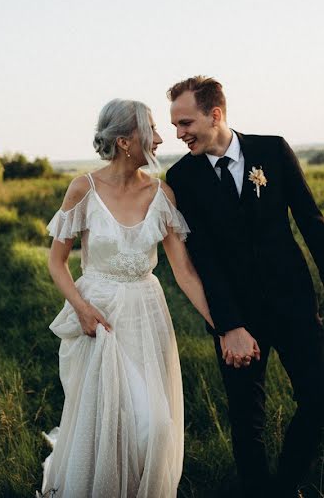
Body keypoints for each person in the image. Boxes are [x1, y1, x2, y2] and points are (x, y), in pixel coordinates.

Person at [165, 76, 324, 497]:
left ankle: (283, 487)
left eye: (185, 123)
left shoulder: (272, 150)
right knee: (246, 417)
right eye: (176, 125)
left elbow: (312, 222)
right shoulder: (181, 177)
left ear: (214, 115)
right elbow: (204, 260)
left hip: (293, 304)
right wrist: (228, 326)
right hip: (237, 315)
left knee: (319, 401)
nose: (178, 134)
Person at [39, 99, 216, 498]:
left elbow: (184, 271)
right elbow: (57, 262)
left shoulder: (161, 194)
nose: (158, 137)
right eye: (150, 129)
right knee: (107, 419)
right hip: (98, 315)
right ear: (124, 141)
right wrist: (82, 310)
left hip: (147, 314)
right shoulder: (84, 188)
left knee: (154, 423)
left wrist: (222, 325)